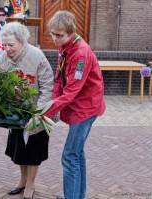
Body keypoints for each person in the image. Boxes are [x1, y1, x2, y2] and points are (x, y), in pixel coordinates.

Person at [42, 11, 105, 199]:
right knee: (77, 154)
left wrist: (46, 111)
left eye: (59, 35)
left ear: (71, 32)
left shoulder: (81, 53)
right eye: (52, 33)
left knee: (69, 155)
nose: (54, 38)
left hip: (85, 108)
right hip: (78, 105)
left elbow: (71, 91)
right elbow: (59, 79)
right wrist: (52, 104)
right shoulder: (64, 46)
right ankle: (77, 195)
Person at [0, 22, 54, 199]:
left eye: (11, 45)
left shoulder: (37, 55)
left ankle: (30, 185)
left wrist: (39, 113)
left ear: (21, 41)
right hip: (16, 114)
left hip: (36, 113)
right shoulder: (3, 57)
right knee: (20, 150)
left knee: (33, 153)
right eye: (5, 45)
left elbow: (48, 86)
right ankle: (22, 181)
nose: (7, 49)